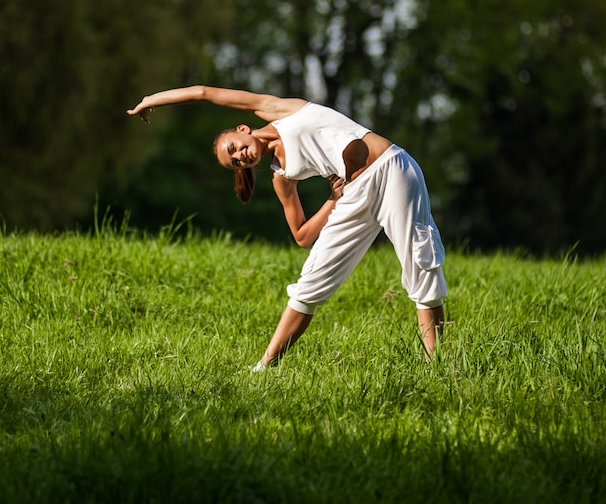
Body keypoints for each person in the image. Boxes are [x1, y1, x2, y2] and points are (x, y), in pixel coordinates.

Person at [127, 85, 448, 369]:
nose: (240, 156)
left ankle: (434, 365)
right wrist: (331, 201)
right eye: (235, 162)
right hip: (352, 194)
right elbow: (302, 236)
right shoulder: (282, 175)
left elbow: (205, 93)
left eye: (235, 149)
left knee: (420, 262)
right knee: (310, 282)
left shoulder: (278, 109)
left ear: (242, 129)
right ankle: (265, 367)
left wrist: (151, 98)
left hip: (390, 169)